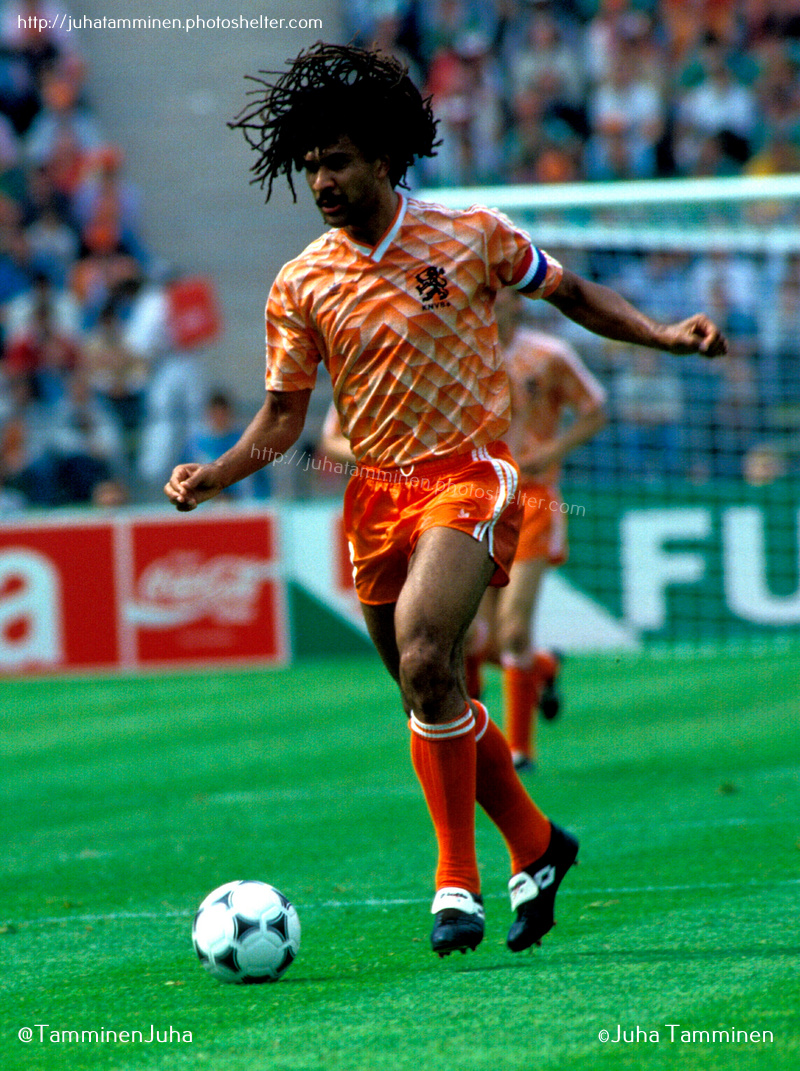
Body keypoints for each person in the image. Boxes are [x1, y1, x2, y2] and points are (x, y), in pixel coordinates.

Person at [164, 43, 727, 959]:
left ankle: (455, 881)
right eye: (310, 164)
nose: (322, 179)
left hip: (470, 472)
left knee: (432, 654)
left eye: (337, 160)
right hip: (373, 495)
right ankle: (540, 845)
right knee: (425, 690)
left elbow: (572, 290)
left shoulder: (471, 233)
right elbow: (280, 417)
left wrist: (662, 335)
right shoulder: (302, 282)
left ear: (384, 159)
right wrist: (214, 473)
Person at [464, 289, 607, 772]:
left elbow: (595, 410)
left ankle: (519, 751)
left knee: (513, 628)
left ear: (516, 302)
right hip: (475, 502)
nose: (487, 299)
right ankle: (543, 668)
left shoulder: (547, 355)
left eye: (497, 292)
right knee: (479, 640)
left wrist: (552, 452)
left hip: (532, 497)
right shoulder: (461, 354)